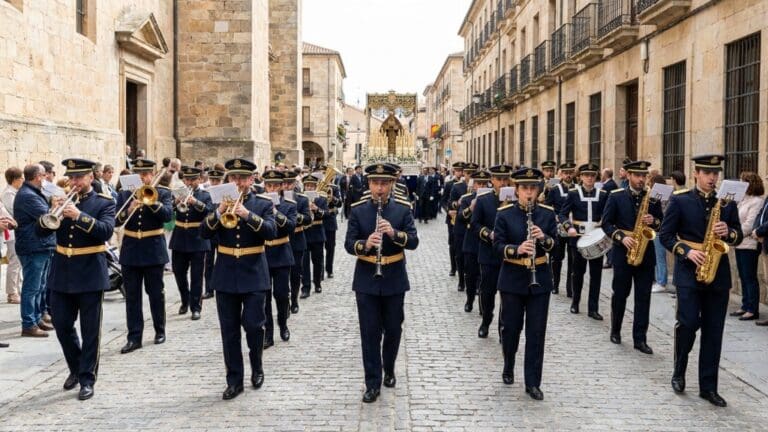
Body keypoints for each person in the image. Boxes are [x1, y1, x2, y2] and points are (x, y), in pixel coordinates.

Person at [660, 154, 742, 407]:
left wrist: (728, 232)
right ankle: (679, 371)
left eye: (716, 173)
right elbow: (665, 235)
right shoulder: (680, 200)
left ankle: (708, 387)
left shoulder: (726, 203)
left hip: (718, 275)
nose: (712, 178)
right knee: (687, 323)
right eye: (707, 173)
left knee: (714, 331)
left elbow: (738, 236)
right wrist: (686, 251)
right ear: (696, 173)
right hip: (688, 271)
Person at [202, 158, 277, 400]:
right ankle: (234, 380)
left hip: (254, 273)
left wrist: (247, 215)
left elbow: (271, 231)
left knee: (254, 326)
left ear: (252, 179)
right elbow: (204, 232)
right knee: (229, 331)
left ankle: (257, 366)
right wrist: (218, 213)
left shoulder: (262, 203)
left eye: (243, 178)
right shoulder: (220, 203)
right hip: (225, 275)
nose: (238, 183)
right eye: (234, 178)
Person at [344, 163, 418, 403]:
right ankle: (372, 383)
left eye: (384, 183)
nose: (379, 188)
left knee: (394, 329)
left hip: (394, 277)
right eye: (375, 183)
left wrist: (394, 234)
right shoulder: (358, 210)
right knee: (369, 332)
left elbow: (413, 241)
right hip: (366, 278)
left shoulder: (403, 209)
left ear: (392, 184)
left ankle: (389, 367)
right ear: (369, 184)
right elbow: (348, 244)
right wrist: (365, 244)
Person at [43, 158, 115, 400]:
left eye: (79, 177)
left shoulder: (103, 203)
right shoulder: (61, 201)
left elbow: (106, 231)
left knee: (90, 330)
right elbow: (40, 231)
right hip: (62, 272)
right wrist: (51, 212)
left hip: (90, 273)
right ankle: (75, 367)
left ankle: (87, 378)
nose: (74, 182)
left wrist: (79, 216)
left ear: (90, 178)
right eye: (71, 177)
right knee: (62, 325)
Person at [493, 167, 557, 400]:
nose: (529, 193)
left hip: (539, 278)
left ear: (538, 191)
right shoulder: (504, 213)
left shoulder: (547, 214)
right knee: (511, 328)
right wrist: (517, 249)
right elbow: (497, 245)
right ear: (517, 190)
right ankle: (509, 363)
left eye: (533, 188)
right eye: (525, 188)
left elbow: (556, 246)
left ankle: (533, 382)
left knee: (536, 332)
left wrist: (543, 238)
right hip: (512, 278)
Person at [602, 160, 663, 355]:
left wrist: (654, 221)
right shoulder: (616, 196)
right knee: (620, 294)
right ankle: (615, 330)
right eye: (637, 175)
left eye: (644, 176)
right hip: (623, 252)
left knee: (643, 297)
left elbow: (661, 223)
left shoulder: (652, 198)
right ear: (628, 175)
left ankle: (640, 338)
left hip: (646, 254)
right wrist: (621, 237)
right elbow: (606, 223)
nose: (641, 179)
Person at [116, 159, 173, 354]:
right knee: (132, 296)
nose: (142, 177)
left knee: (156, 293)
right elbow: (115, 220)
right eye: (138, 173)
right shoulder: (125, 193)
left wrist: (152, 202)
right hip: (131, 249)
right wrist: (129, 209)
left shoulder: (163, 192)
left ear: (152, 174)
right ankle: (134, 337)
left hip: (153, 249)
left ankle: (160, 330)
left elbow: (167, 216)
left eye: (145, 174)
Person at [559, 163, 608, 319]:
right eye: (586, 175)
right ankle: (575, 302)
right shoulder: (573, 194)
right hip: (578, 239)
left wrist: (605, 224)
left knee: (596, 275)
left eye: (592, 175)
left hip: (596, 240)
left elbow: (608, 214)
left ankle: (593, 308)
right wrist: (569, 228)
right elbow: (562, 214)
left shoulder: (603, 194)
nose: (589, 178)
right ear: (580, 177)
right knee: (578, 273)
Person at [15, 163, 56, 337]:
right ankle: (29, 324)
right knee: (31, 287)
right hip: (33, 246)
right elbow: (47, 216)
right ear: (38, 176)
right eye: (44, 175)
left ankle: (37, 318)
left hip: (41, 244)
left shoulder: (33, 192)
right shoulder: (28, 195)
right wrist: (54, 205)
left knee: (40, 285)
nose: (46, 178)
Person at [473, 164, 513, 338]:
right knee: (487, 291)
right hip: (489, 253)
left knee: (507, 293)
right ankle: (486, 320)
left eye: (505, 179)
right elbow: (475, 224)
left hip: (509, 254)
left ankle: (503, 326)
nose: (503, 183)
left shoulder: (515, 200)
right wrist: (489, 234)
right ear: (492, 180)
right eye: (499, 179)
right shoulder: (484, 200)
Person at [170, 166, 213, 320]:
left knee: (196, 276)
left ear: (199, 179)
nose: (189, 182)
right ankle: (185, 299)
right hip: (179, 237)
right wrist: (176, 202)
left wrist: (195, 202)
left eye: (193, 179)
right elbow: (169, 212)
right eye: (187, 179)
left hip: (197, 238)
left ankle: (196, 307)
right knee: (178, 272)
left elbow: (209, 211)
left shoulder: (205, 195)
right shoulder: (178, 192)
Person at [262, 170, 296, 347]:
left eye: (276, 185)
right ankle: (268, 333)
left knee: (281, 295)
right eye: (269, 185)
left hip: (282, 253)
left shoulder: (289, 205)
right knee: (265, 297)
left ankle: (283, 324)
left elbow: (290, 227)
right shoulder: (259, 203)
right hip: (263, 254)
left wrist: (275, 212)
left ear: (282, 186)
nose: (272, 189)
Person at [457, 170, 491, 313]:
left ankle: (483, 306)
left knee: (485, 277)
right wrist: (471, 207)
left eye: (484, 184)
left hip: (487, 242)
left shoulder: (491, 200)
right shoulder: (467, 198)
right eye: (479, 184)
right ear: (474, 185)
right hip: (471, 241)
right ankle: (469, 300)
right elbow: (460, 218)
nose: (481, 186)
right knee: (470, 275)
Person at [730, 172, 763, 321]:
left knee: (749, 277)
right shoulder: (743, 199)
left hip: (749, 243)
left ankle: (752, 309)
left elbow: (749, 224)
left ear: (750, 184)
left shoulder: (757, 201)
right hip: (739, 243)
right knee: (742, 276)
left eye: (742, 182)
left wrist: (734, 235)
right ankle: (745, 305)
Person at [282, 171, 311, 314]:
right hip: (281, 240)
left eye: (289, 183)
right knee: (282, 276)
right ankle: (285, 302)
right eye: (284, 183)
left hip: (297, 238)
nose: (287, 186)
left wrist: (293, 216)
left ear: (294, 184)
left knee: (295, 273)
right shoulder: (275, 200)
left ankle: (294, 299)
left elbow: (308, 219)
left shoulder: (302, 199)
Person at [546, 162, 576, 296]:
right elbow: (548, 207)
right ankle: (555, 284)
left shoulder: (577, 188)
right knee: (556, 258)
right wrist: (555, 217)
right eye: (565, 173)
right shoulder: (555, 189)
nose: (568, 175)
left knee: (572, 259)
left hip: (573, 228)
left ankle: (570, 288)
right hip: (559, 227)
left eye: (570, 172)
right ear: (561, 174)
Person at [450, 162, 477, 292]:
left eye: (473, 173)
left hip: (474, 226)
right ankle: (461, 280)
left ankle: (475, 283)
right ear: (464, 173)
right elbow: (450, 202)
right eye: (468, 173)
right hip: (460, 225)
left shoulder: (481, 188)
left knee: (474, 257)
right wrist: (457, 204)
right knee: (460, 255)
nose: (470, 176)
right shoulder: (457, 186)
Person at [301, 174, 328, 297]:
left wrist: (316, 209)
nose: (309, 188)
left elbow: (327, 214)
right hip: (305, 234)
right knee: (304, 263)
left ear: (316, 186)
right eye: (307, 185)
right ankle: (305, 287)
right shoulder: (300, 199)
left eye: (312, 186)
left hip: (317, 233)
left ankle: (317, 283)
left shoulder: (321, 199)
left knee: (317, 261)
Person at [202, 168, 225, 300]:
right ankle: (209, 289)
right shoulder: (207, 194)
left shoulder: (227, 193)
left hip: (223, 232)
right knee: (209, 262)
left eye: (217, 180)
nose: (215, 183)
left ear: (222, 180)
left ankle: (222, 285)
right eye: (213, 180)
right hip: (211, 231)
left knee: (223, 261)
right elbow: (207, 211)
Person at [2, 167, 23, 304]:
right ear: (15, 179)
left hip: (16, 231)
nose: (22, 180)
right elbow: (15, 211)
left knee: (18, 262)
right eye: (21, 178)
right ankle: (12, 292)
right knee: (14, 262)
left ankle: (17, 289)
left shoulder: (14, 192)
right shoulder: (8, 193)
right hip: (11, 232)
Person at [650, 174, 670, 293]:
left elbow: (663, 212)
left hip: (660, 229)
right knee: (658, 257)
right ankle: (659, 280)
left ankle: (661, 282)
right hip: (659, 229)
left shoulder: (662, 195)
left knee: (659, 257)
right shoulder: (668, 193)